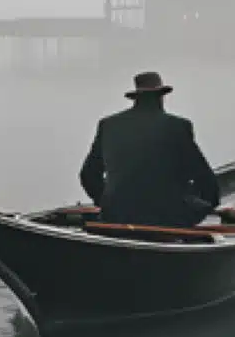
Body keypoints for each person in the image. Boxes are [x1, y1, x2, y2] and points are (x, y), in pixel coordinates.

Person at [80, 71, 220, 228]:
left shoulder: (108, 125)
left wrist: (106, 202)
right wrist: (208, 205)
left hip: (117, 214)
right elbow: (205, 180)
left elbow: (88, 175)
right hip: (169, 217)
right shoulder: (178, 126)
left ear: (136, 98)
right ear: (161, 97)